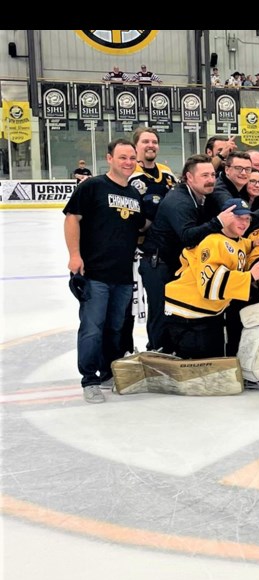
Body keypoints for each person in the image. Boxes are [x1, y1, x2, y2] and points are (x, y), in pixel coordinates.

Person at [63, 138, 145, 403]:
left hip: (122, 276)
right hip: (94, 273)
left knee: (115, 329)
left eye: (132, 158)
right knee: (92, 328)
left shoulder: (134, 194)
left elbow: (136, 230)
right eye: (122, 157)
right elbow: (72, 218)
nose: (128, 163)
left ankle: (108, 371)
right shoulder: (93, 187)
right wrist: (74, 255)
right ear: (109, 158)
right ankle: (90, 379)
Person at [140, 155, 238, 352]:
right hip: (157, 264)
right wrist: (218, 222)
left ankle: (171, 355)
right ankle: (157, 357)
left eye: (212, 174)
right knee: (161, 314)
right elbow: (188, 236)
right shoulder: (180, 201)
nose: (210, 179)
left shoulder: (199, 196)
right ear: (189, 178)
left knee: (174, 314)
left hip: (172, 264)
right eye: (204, 175)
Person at [162, 198, 259, 359]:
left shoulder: (237, 240)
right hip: (188, 313)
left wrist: (253, 243)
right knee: (198, 368)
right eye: (238, 218)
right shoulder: (212, 242)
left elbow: (237, 248)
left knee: (216, 359)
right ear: (225, 218)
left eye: (247, 219)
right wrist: (249, 277)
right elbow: (209, 284)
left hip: (208, 313)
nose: (244, 223)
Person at [125, 126, 178, 352]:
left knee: (171, 304)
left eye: (154, 142)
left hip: (170, 250)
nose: (150, 145)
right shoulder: (130, 174)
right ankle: (154, 347)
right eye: (145, 141)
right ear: (136, 146)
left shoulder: (167, 173)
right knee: (149, 305)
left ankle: (169, 346)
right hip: (141, 253)